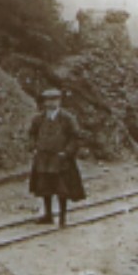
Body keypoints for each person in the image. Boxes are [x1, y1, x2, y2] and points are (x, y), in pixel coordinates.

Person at [29, 88, 85, 227]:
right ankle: (48, 215)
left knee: (62, 190)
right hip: (43, 159)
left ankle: (62, 218)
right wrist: (34, 148)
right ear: (44, 102)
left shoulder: (67, 118)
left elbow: (76, 137)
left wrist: (66, 152)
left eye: (54, 100)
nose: (50, 103)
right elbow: (31, 134)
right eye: (48, 100)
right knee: (44, 188)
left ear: (59, 101)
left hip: (60, 160)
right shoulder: (38, 118)